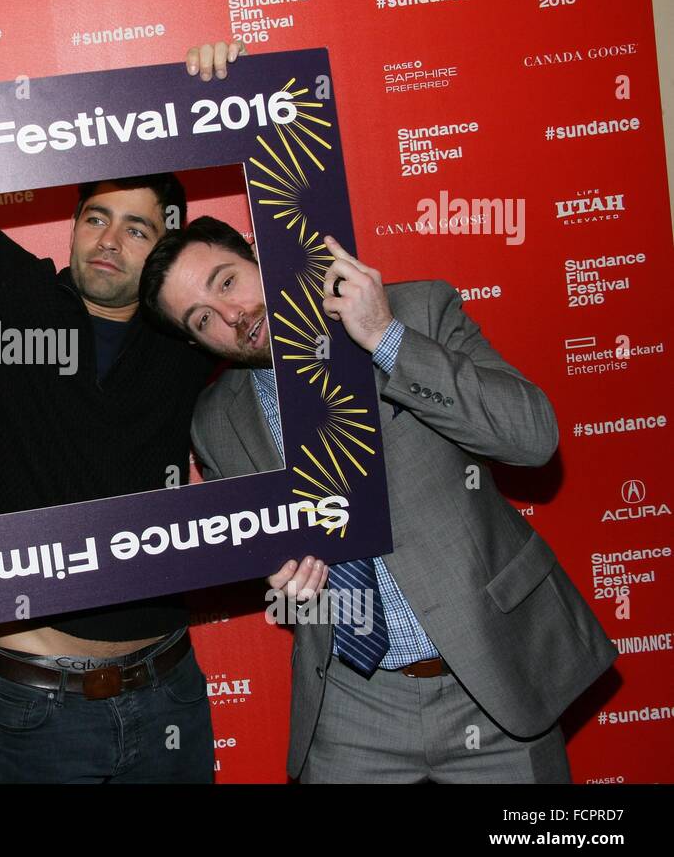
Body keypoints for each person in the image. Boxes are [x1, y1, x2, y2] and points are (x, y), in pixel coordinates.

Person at [0, 35, 246, 783]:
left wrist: (225, 89)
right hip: (38, 710)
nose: (109, 241)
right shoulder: (6, 296)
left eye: (137, 229)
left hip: (169, 688)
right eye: (96, 218)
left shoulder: (190, 333)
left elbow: (287, 303)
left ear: (167, 250)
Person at [138, 213, 617, 782]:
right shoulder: (216, 424)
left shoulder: (417, 311)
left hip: (489, 677)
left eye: (226, 281)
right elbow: (274, 567)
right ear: (195, 341)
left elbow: (532, 437)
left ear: (257, 255)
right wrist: (285, 584)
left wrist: (388, 340)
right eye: (202, 319)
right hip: (350, 703)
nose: (233, 315)